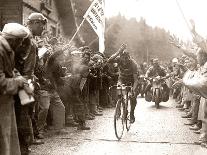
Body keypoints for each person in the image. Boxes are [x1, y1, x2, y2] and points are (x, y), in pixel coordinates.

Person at [0, 23, 31, 155]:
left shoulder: (8, 49)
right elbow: (0, 82)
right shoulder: (1, 51)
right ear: (13, 40)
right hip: (1, 101)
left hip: (6, 102)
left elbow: (12, 70)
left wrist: (21, 80)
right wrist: (18, 82)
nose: (21, 45)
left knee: (7, 139)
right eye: (20, 41)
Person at [108, 44, 139, 123]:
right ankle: (119, 108)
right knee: (118, 91)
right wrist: (119, 51)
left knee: (133, 97)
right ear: (120, 57)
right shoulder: (119, 59)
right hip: (122, 78)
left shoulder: (133, 64)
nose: (124, 61)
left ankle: (131, 113)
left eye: (126, 59)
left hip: (132, 80)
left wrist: (133, 90)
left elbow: (136, 80)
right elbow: (109, 60)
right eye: (123, 58)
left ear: (129, 58)